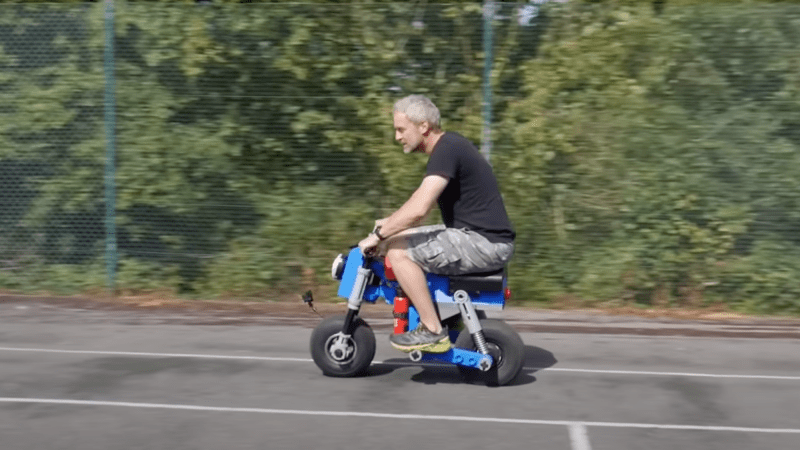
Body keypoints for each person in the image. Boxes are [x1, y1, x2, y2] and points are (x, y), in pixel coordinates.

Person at [358, 95, 515, 354]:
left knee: (399, 253)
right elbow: (418, 202)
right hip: (480, 239)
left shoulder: (447, 148)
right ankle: (439, 317)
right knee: (396, 241)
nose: (397, 137)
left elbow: (419, 208)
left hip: (484, 244)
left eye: (401, 129)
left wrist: (379, 234)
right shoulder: (450, 147)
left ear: (423, 126)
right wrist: (387, 227)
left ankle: (432, 330)